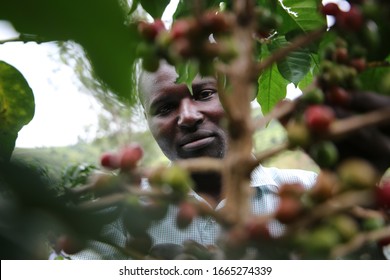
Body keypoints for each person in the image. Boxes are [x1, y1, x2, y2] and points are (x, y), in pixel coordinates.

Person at [66, 61, 390, 260]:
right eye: (164, 108)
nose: (188, 117)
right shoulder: (121, 216)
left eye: (204, 94)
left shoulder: (314, 198)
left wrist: (357, 206)